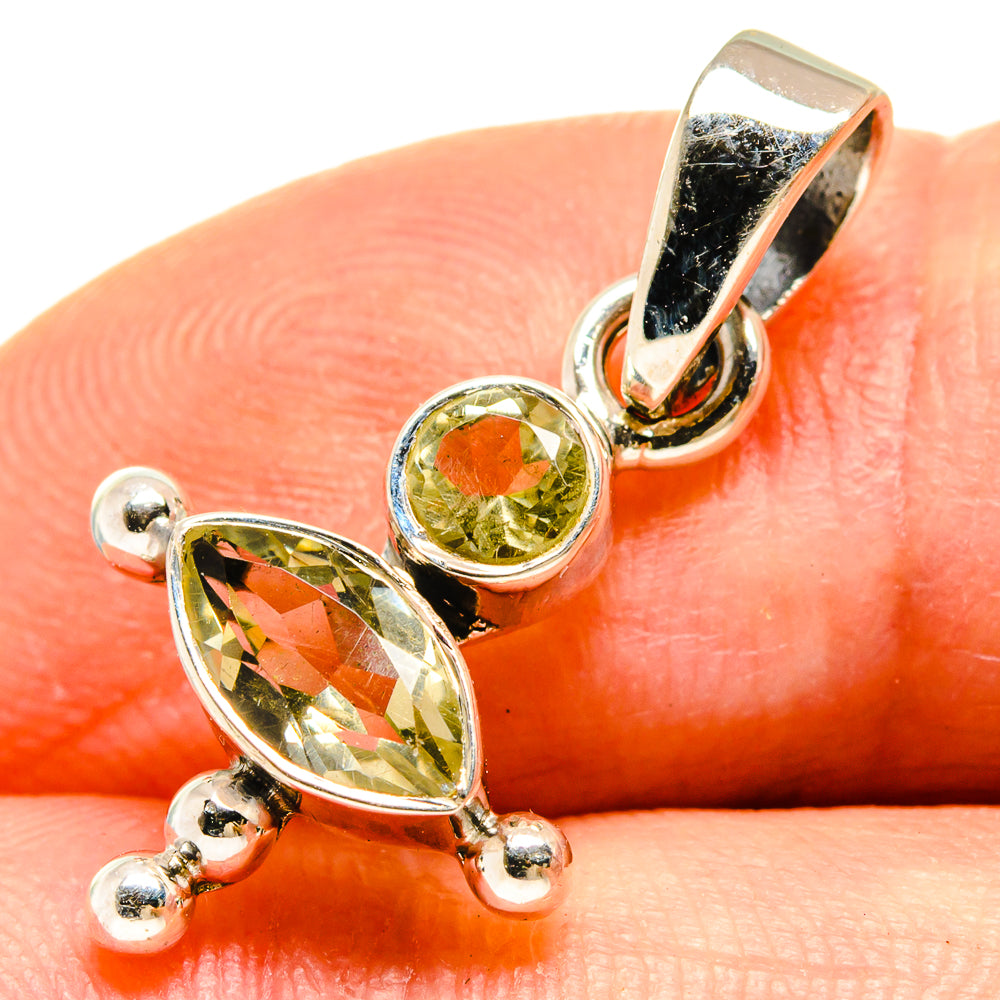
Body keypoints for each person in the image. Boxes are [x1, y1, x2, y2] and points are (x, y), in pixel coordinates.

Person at [0, 111, 996, 996]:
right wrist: (477, 832)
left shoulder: (243, 571)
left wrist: (176, 540)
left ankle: (178, 874)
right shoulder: (259, 577)